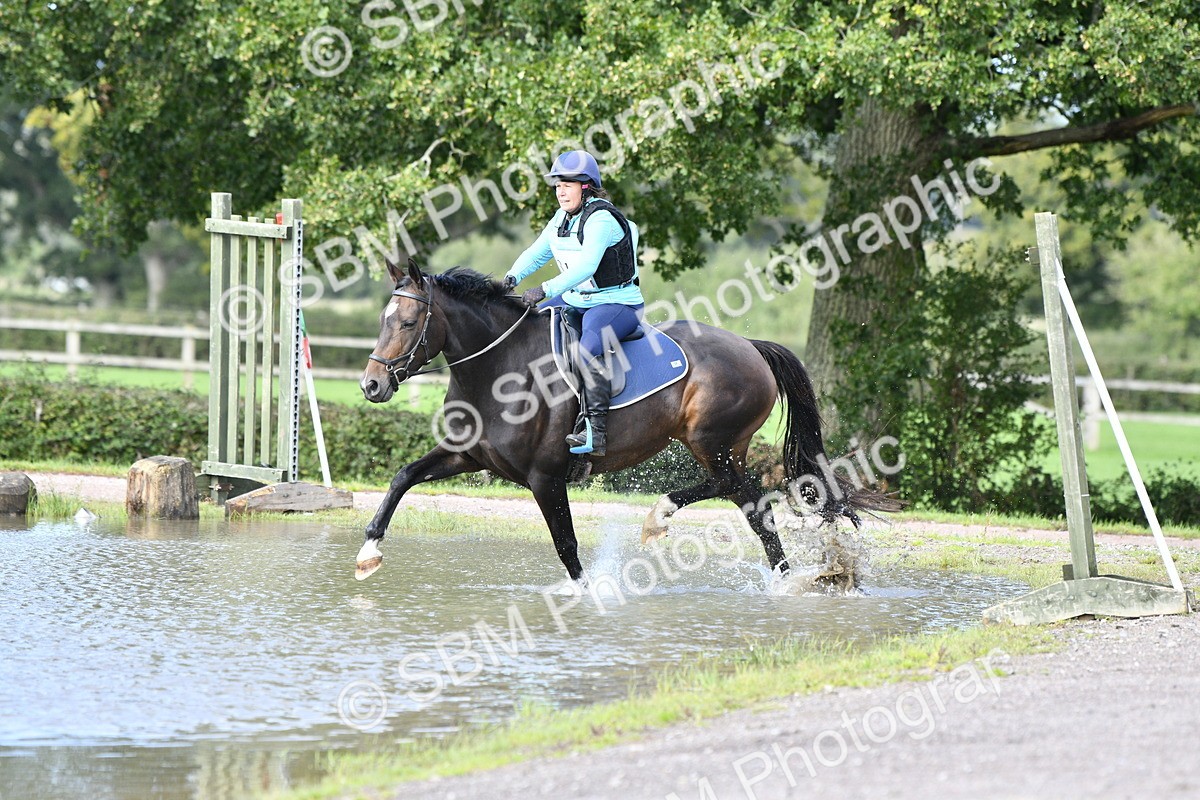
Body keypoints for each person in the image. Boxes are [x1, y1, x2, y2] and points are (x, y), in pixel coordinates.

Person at [504, 149, 644, 457]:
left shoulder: (602, 219)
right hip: (576, 300)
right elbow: (537, 253)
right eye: (557, 185)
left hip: (616, 304)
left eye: (568, 184)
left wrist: (544, 288)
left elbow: (586, 268)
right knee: (521, 326)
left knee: (585, 351)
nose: (560, 191)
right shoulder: (561, 218)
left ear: (586, 186)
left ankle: (594, 432)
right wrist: (511, 279)